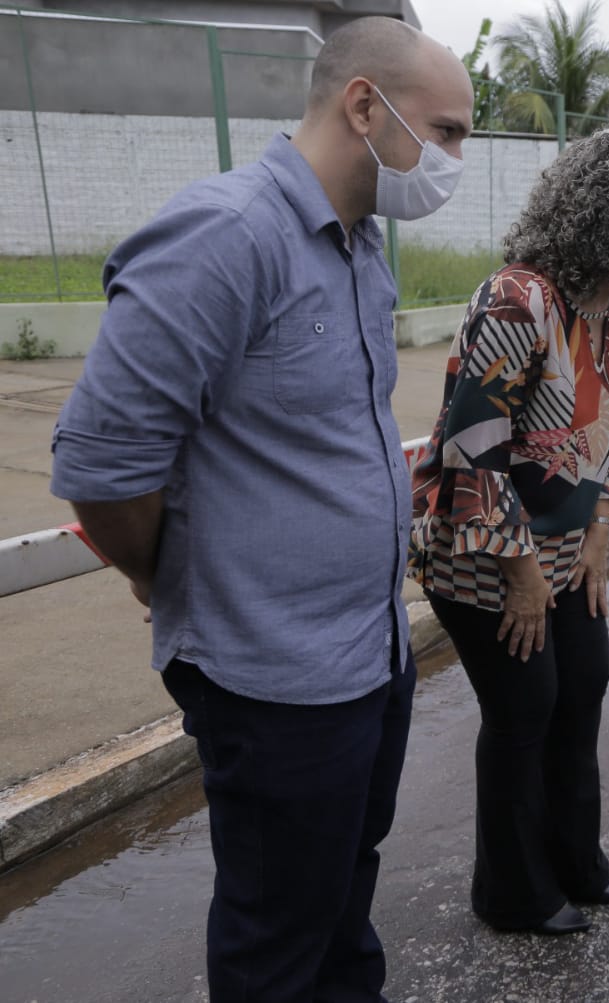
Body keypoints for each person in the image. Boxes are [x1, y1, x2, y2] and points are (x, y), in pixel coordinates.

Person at [48, 18, 473, 1001]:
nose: (453, 159)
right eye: (445, 131)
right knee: (276, 935)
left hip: (369, 653)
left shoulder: (363, 246)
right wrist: (166, 574)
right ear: (363, 104)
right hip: (276, 679)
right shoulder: (226, 235)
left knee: (340, 901)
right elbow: (105, 467)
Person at [409, 129, 609, 936]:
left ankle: (578, 862)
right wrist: (522, 572)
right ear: (607, 223)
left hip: (568, 546)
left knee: (583, 687)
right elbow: (472, 447)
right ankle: (512, 892)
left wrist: (599, 530)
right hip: (481, 551)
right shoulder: (516, 300)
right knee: (524, 708)